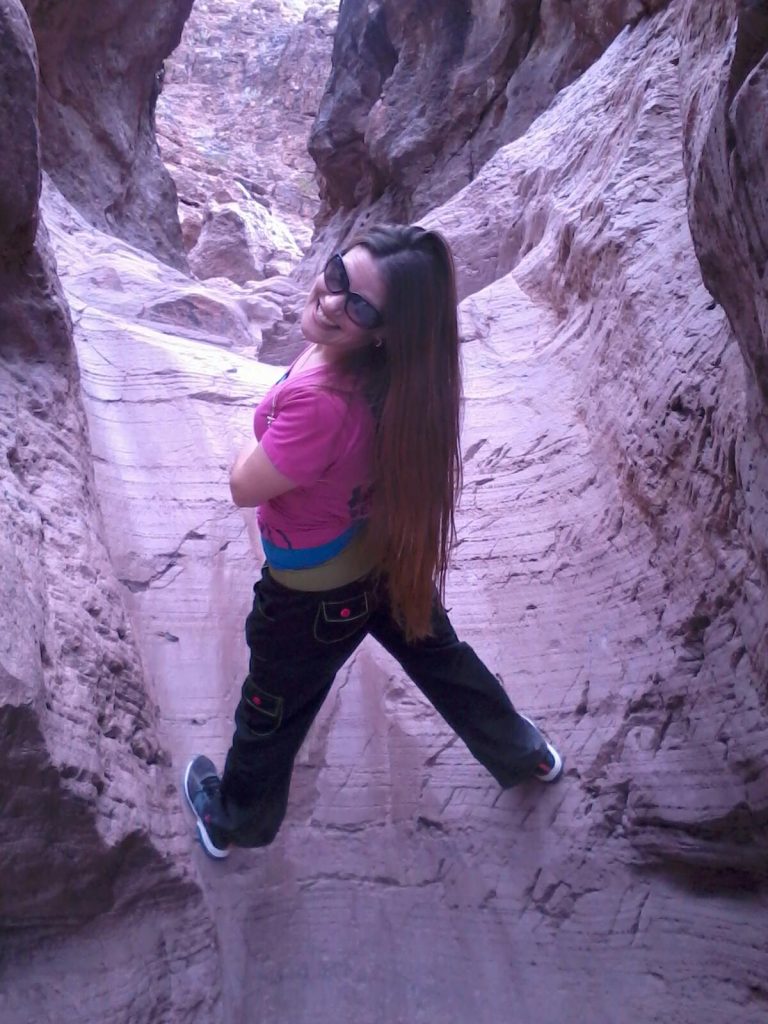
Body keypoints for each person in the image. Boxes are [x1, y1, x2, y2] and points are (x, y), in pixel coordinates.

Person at [183, 224, 563, 859]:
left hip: (309, 600)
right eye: (338, 277)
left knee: (271, 707)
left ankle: (235, 821)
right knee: (443, 659)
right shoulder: (402, 374)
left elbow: (244, 486)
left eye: (358, 304)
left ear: (383, 329)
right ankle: (525, 753)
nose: (333, 302)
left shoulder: (320, 404)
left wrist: (263, 429)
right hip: (386, 561)